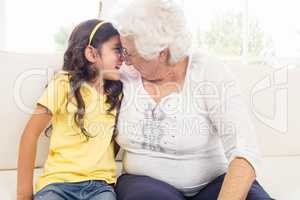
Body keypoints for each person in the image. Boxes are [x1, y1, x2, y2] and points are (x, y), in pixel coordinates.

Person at [112, 0, 273, 199]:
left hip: (213, 183)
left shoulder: (209, 71)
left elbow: (244, 150)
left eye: (129, 52)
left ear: (161, 53)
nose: (124, 59)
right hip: (145, 184)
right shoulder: (123, 73)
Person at [17, 19, 123, 200]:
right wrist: (23, 196)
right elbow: (30, 135)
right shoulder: (63, 83)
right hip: (58, 184)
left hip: (100, 186)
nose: (123, 57)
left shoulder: (117, 93)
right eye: (117, 49)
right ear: (91, 53)